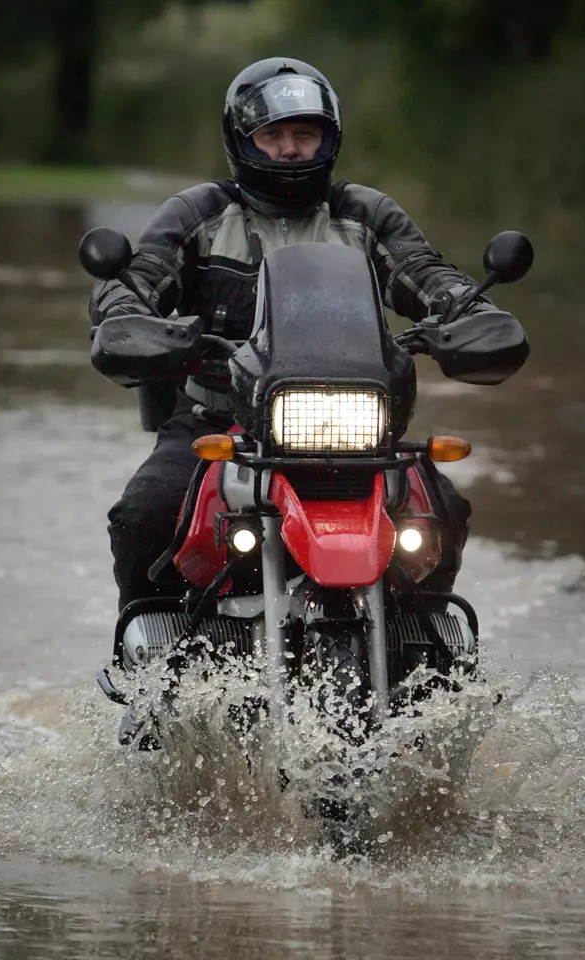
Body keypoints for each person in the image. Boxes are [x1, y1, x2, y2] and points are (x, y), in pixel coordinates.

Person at [89, 57, 526, 612]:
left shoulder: (366, 214)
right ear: (243, 141)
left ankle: (424, 648)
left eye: (304, 133)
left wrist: (469, 315)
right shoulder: (199, 213)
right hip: (218, 419)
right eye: (273, 135)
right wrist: (132, 317)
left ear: (328, 138)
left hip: (359, 433)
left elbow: (429, 276)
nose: (290, 149)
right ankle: (150, 663)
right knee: (144, 514)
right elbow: (135, 281)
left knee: (442, 514)